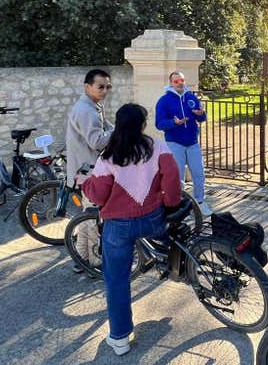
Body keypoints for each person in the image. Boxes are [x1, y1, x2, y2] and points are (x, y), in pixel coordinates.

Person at [80, 103, 182, 356]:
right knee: (170, 241)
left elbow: (100, 196)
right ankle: (179, 268)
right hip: (153, 218)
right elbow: (172, 177)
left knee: (116, 280)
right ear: (143, 125)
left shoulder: (108, 157)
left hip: (119, 226)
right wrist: (170, 203)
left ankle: (120, 337)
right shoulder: (158, 146)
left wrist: (85, 184)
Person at [67, 68, 114, 271]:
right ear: (88, 86)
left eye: (107, 87)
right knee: (93, 216)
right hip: (88, 171)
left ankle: (81, 258)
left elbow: (105, 127)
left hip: (86, 169)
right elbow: (97, 142)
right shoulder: (86, 110)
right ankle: (94, 259)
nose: (104, 91)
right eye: (100, 87)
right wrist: (117, 132)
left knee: (89, 214)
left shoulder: (92, 105)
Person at [154, 71, 210, 215]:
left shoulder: (191, 97)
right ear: (171, 83)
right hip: (174, 143)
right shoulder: (164, 101)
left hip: (192, 142)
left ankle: (200, 202)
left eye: (182, 80)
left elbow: (202, 118)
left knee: (199, 173)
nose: (179, 83)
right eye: (176, 81)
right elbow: (159, 124)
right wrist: (174, 122)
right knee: (177, 176)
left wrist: (201, 114)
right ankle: (179, 204)